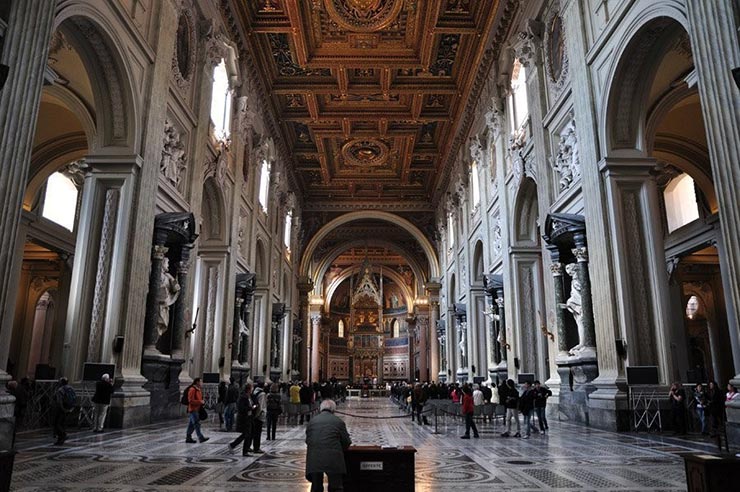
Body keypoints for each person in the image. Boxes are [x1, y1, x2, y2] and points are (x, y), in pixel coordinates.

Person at [305, 399, 352, 492]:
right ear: (333, 410)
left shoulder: (312, 421)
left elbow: (308, 440)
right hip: (333, 457)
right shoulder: (338, 421)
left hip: (314, 457)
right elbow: (346, 442)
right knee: (336, 487)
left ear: (320, 409)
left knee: (316, 487)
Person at [229, 383, 255, 456]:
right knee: (246, 435)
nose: (252, 389)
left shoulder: (249, 396)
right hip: (244, 418)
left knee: (247, 434)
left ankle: (235, 446)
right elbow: (241, 408)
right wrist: (250, 408)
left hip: (249, 417)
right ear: (248, 389)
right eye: (251, 388)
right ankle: (240, 449)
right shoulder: (243, 397)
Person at [185, 377, 209, 443]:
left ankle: (188, 437)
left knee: (191, 424)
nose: (202, 383)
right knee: (196, 424)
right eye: (201, 381)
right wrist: (200, 402)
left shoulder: (198, 390)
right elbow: (190, 400)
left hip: (197, 409)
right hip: (193, 409)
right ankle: (200, 437)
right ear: (197, 382)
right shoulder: (192, 389)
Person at [53, 377, 76, 445]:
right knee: (62, 423)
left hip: (62, 408)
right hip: (69, 407)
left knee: (57, 423)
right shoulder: (71, 388)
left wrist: (62, 408)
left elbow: (59, 401)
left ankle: (63, 435)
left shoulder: (61, 389)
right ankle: (60, 440)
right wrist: (71, 408)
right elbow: (74, 398)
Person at [251, 381, 267, 453]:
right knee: (258, 433)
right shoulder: (262, 394)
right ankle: (256, 448)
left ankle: (249, 446)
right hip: (258, 416)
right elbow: (261, 406)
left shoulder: (254, 392)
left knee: (253, 432)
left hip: (252, 414)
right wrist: (257, 415)